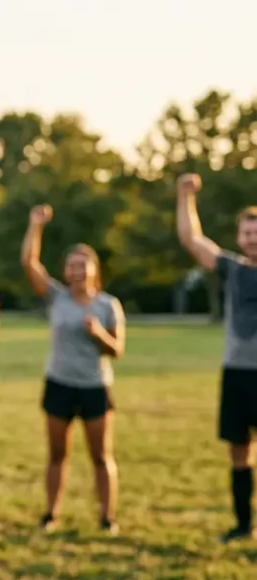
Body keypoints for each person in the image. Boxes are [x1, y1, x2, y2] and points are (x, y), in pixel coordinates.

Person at [20, 204, 125, 535]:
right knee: (56, 455)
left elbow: (118, 349)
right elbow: (28, 263)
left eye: (83, 265)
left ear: (94, 269)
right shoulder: (57, 297)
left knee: (100, 456)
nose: (77, 270)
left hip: (95, 386)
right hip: (59, 384)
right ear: (66, 271)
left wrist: (99, 335)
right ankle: (51, 514)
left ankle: (107, 518)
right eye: (72, 265)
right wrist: (35, 225)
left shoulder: (108, 305)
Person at [176, 173, 257, 542]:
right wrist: (184, 197)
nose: (252, 237)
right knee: (239, 453)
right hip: (237, 374)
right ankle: (243, 526)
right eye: (247, 232)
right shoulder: (233, 268)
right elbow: (192, 240)